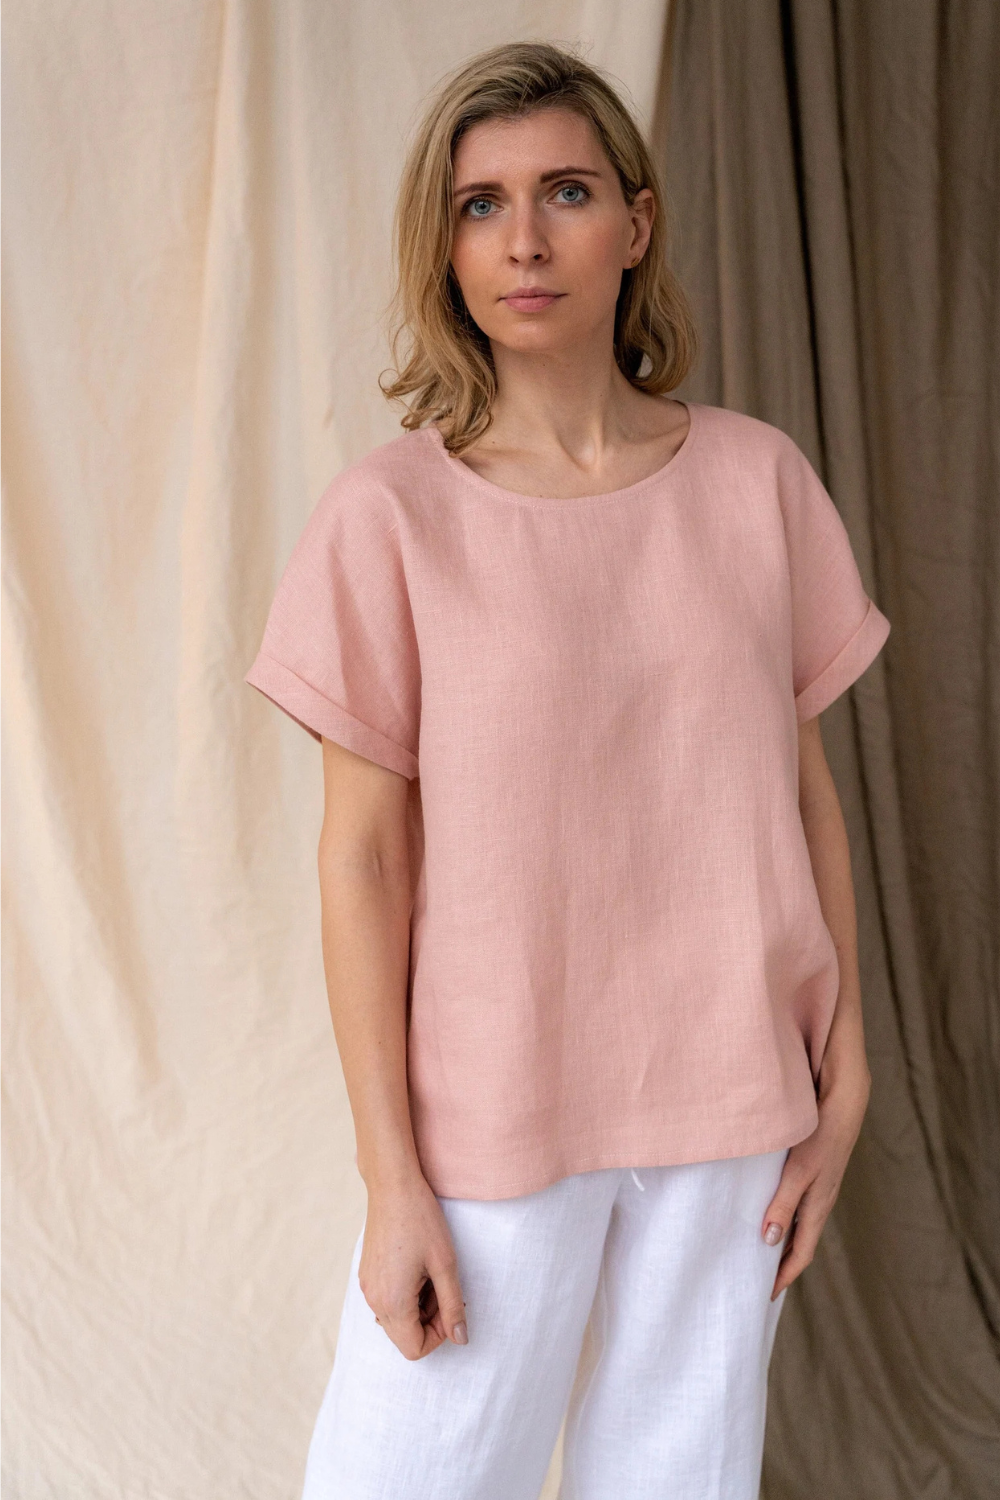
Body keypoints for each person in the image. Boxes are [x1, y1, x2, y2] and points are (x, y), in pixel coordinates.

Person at [244, 39, 890, 1500]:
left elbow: (798, 794)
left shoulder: (757, 483)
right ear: (446, 246)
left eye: (567, 192)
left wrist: (845, 1067)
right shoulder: (388, 519)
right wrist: (391, 1177)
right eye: (481, 205)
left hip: (734, 1101)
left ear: (637, 224)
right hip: (493, 1107)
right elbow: (363, 860)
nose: (524, 240)